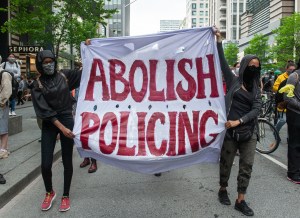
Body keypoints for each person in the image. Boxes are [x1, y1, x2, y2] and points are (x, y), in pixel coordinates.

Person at [215, 28, 261, 216]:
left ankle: (240, 199)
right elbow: (222, 60)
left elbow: (256, 109)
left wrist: (239, 121)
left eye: (257, 66)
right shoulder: (233, 80)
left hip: (248, 131)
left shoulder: (258, 87)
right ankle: (222, 189)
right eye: (250, 65)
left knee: (246, 166)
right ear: (243, 66)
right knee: (225, 163)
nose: (254, 68)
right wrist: (219, 41)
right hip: (230, 133)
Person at [31, 50, 82, 212]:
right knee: (45, 164)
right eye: (45, 62)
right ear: (40, 64)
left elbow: (87, 71)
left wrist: (90, 48)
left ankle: (65, 195)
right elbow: (44, 111)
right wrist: (62, 129)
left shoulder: (64, 75)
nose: (49, 64)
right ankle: (49, 192)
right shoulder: (36, 85)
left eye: (51, 61)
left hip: (67, 117)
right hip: (50, 123)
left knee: (67, 160)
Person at [280, 68, 300, 184]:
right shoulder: (294, 76)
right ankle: (293, 173)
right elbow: (287, 97)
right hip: (295, 114)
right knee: (295, 144)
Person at [273, 61, 296, 134]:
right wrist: (284, 90)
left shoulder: (296, 77)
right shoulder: (281, 77)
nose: (292, 71)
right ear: (286, 69)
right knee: (283, 120)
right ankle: (275, 131)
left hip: (292, 102)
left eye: (293, 69)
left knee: (291, 122)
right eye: (290, 69)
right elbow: (275, 87)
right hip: (283, 101)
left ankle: (289, 138)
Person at [0, 66, 12, 164]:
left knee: (3, 127)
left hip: (1, 105)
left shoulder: (4, 74)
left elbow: (7, 90)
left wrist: (1, 102)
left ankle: (3, 150)